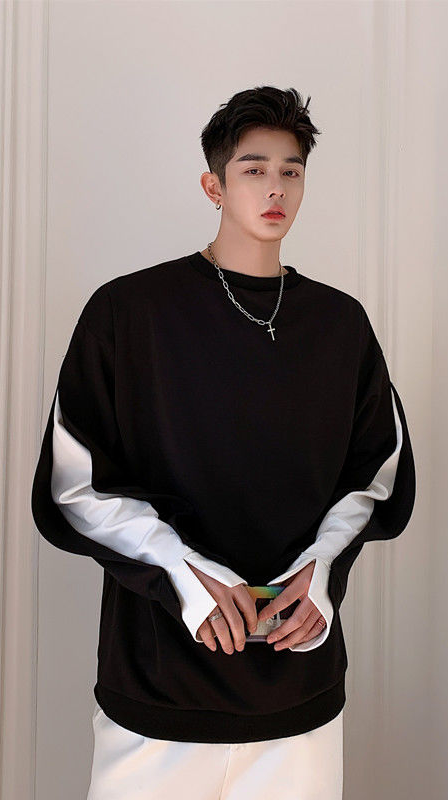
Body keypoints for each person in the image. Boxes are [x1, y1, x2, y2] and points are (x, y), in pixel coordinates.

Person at [30, 85, 416, 800]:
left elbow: (376, 474)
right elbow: (73, 482)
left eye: (291, 170)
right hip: (158, 694)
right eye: (253, 169)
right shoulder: (127, 312)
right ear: (214, 186)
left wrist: (321, 570)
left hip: (299, 693)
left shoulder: (341, 325)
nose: (275, 188)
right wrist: (183, 570)